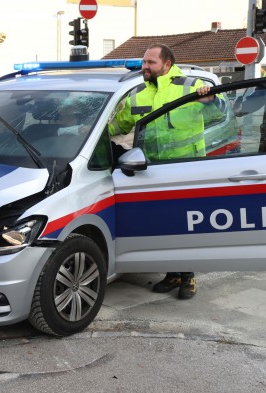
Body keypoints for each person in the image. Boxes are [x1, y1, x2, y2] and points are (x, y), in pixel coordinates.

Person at [108, 43, 222, 300]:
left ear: (167, 64)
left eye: (150, 63)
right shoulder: (137, 94)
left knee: (184, 226)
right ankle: (172, 274)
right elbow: (118, 124)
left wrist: (212, 98)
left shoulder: (191, 86)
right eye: (144, 62)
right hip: (152, 170)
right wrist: (85, 132)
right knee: (163, 225)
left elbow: (221, 111)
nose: (144, 67)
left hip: (185, 170)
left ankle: (188, 276)